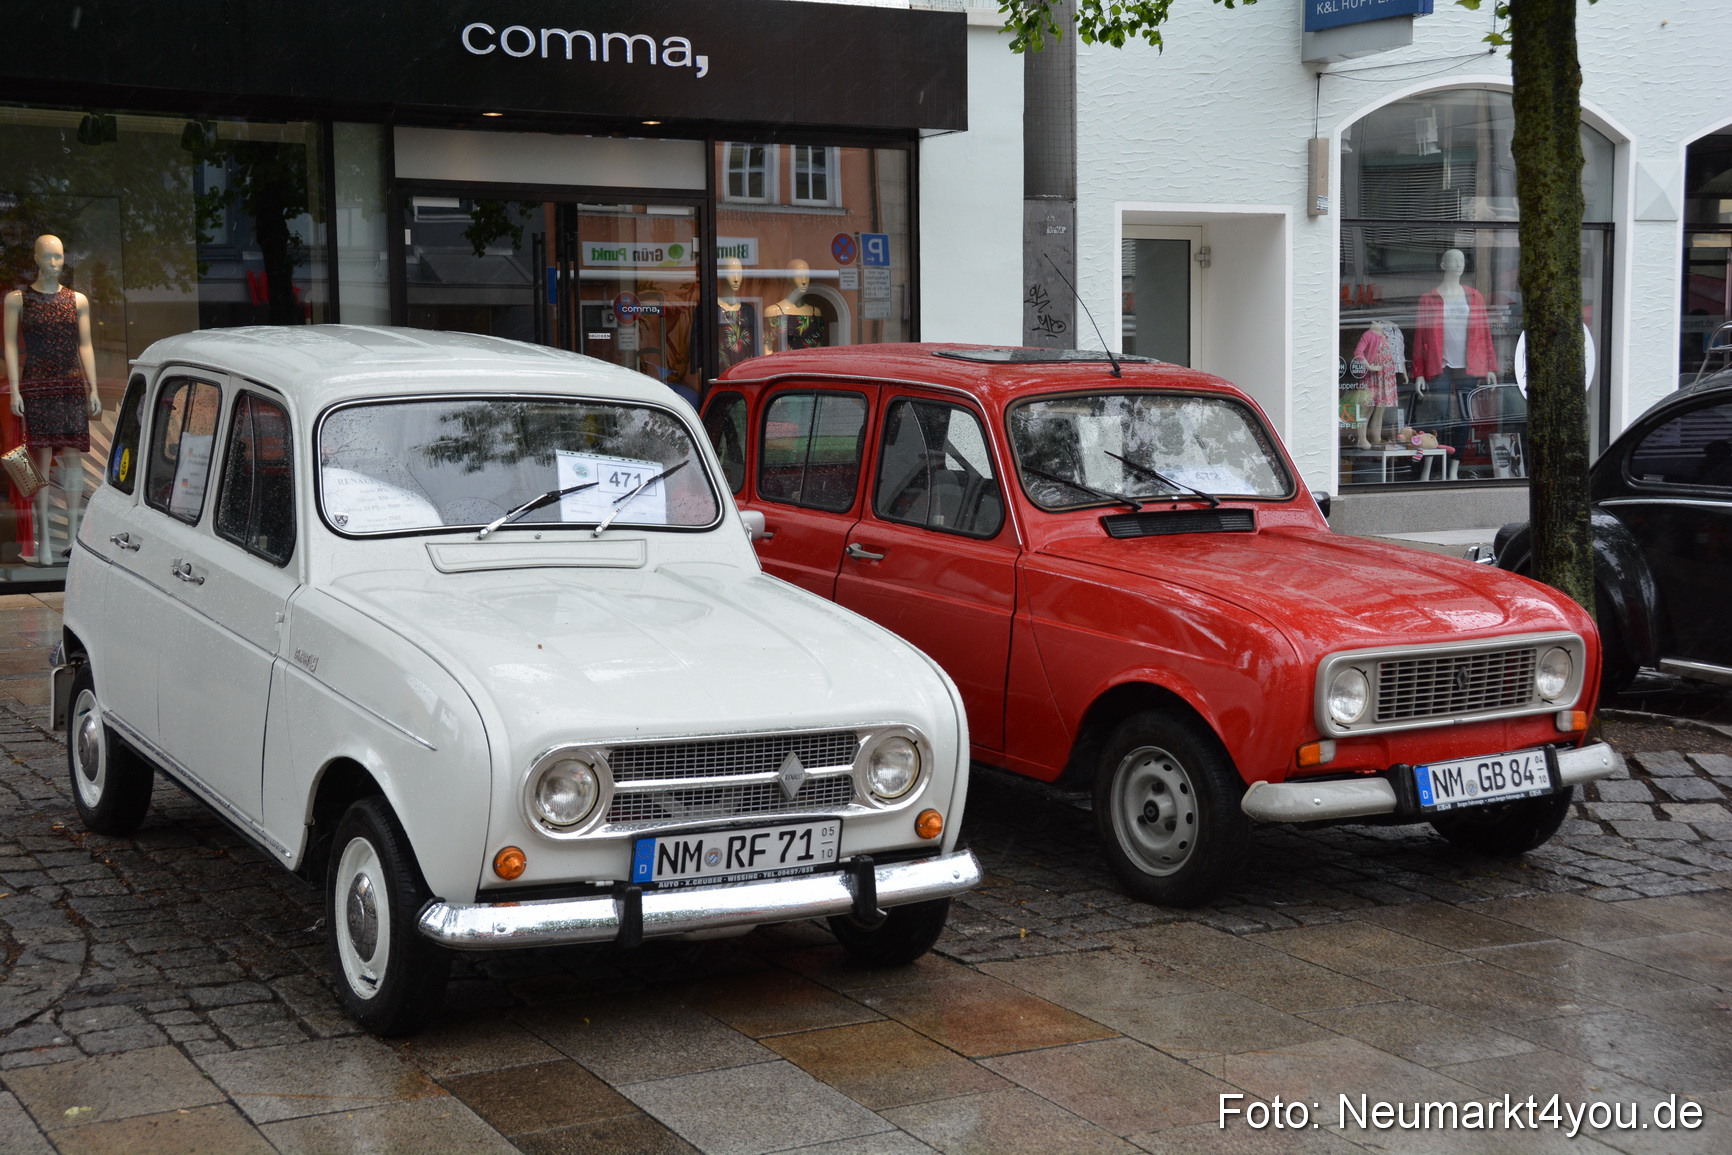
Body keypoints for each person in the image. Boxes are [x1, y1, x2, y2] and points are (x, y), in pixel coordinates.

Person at [4, 235, 101, 564]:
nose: (54, 263)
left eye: (58, 257)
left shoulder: (78, 300)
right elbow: (11, 347)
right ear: (36, 258)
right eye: (47, 257)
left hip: (70, 383)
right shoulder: (18, 300)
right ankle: (44, 539)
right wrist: (15, 389)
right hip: (37, 385)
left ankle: (75, 537)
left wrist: (94, 388)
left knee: (74, 460)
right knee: (41, 462)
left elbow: (85, 345)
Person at [1411, 249, 1498, 476]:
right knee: (1437, 415)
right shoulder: (1428, 298)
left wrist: (1489, 366)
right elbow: (1420, 336)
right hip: (1439, 365)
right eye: (1453, 260)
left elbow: (1484, 332)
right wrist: (1419, 372)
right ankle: (1429, 467)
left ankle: (1453, 470)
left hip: (1468, 366)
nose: (1458, 264)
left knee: (1463, 417)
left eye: (1461, 260)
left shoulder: (1474, 296)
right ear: (1443, 264)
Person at [764, 258, 825, 353]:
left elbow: (819, 350)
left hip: (810, 366)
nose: (804, 281)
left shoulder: (815, 313)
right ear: (789, 278)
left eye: (807, 276)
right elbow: (767, 351)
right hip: (784, 366)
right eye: (799, 276)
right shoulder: (773, 312)